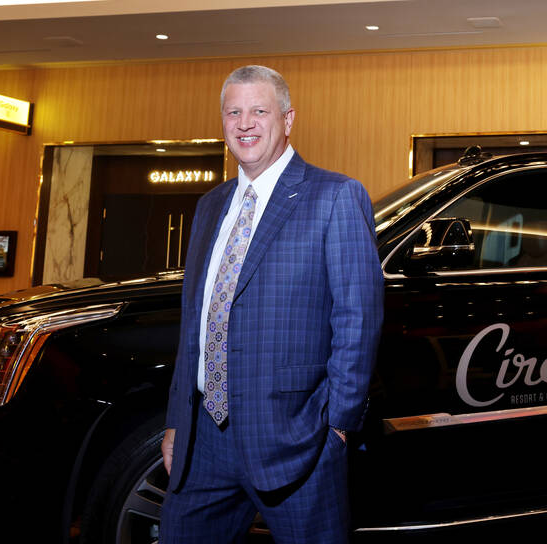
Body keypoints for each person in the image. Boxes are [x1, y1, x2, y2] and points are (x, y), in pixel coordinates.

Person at [160, 65, 383, 544]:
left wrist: (337, 427)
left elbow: (358, 320)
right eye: (233, 112)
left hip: (296, 439)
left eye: (259, 111)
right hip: (203, 440)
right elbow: (196, 323)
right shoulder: (208, 206)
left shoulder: (335, 196)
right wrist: (178, 423)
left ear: (287, 119)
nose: (245, 123)